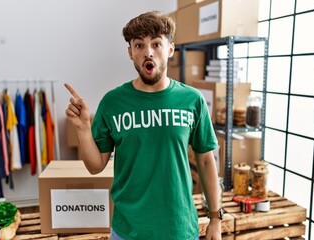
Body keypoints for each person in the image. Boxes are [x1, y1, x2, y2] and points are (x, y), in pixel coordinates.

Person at [65, 11, 222, 240]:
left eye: (156, 44)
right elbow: (95, 165)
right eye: (139, 45)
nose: (148, 52)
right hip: (128, 231)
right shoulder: (112, 102)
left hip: (180, 229)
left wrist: (215, 219)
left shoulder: (192, 100)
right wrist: (83, 129)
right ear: (130, 52)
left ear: (170, 49)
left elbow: (206, 160)